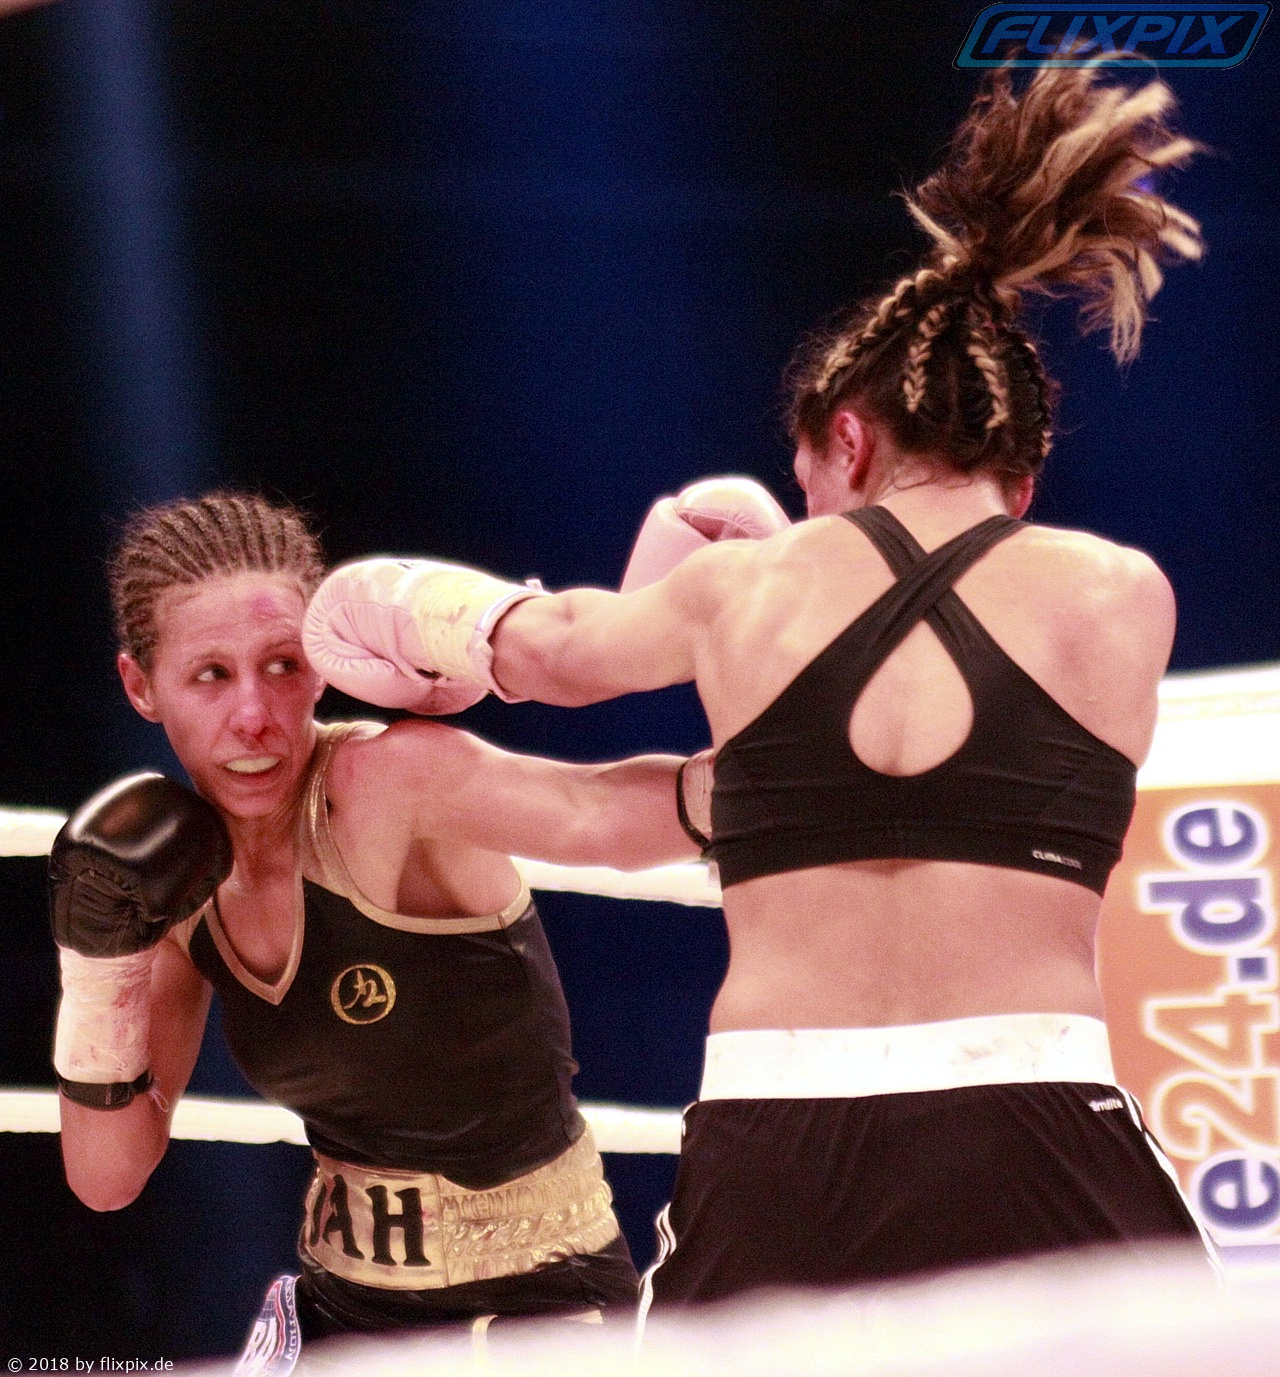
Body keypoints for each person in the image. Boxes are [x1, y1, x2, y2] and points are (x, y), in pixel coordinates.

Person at [301, 65, 1220, 1312]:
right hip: (1034, 1102)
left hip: (781, 1117)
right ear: (1023, 471)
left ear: (846, 435)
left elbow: (554, 654)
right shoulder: (1120, 596)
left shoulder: (745, 588)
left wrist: (387, 606)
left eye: (807, 478)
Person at [49, 489, 718, 1363]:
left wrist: (813, 744)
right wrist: (97, 966)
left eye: (282, 665)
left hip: (535, 1303)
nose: (253, 713)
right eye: (210, 675)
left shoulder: (387, 784)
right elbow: (106, 1176)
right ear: (141, 685)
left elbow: (601, 816)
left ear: (322, 666)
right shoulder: (174, 882)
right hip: (340, 1310)